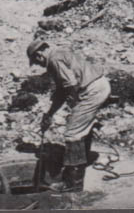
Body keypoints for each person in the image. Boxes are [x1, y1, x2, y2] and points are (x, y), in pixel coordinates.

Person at [27, 38, 111, 193]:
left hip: (92, 90)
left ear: (39, 55)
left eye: (37, 62)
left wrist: (75, 101)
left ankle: (73, 183)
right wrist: (50, 114)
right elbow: (61, 91)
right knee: (80, 126)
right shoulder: (60, 52)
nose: (39, 65)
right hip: (98, 85)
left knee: (73, 132)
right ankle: (81, 162)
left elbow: (70, 84)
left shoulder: (53, 59)